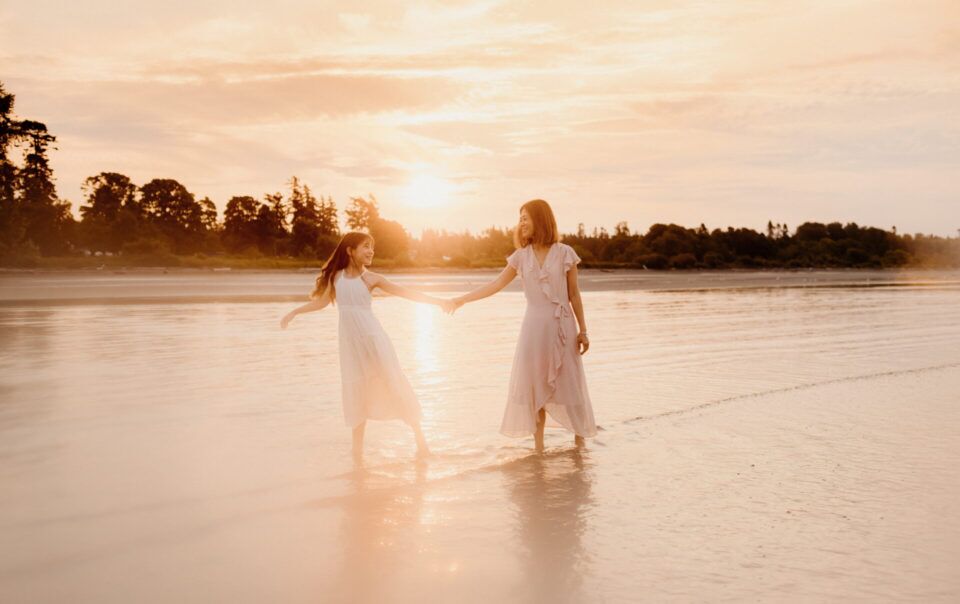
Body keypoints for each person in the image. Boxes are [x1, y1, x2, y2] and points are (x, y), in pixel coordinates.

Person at [281, 231, 454, 459]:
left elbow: (405, 293)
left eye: (372, 247)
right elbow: (322, 302)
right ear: (350, 250)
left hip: (374, 341)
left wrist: (439, 301)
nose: (371, 251)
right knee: (357, 391)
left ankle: (422, 443)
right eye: (366, 246)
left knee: (394, 384)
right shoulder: (337, 277)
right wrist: (295, 311)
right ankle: (357, 453)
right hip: (351, 346)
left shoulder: (372, 279)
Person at [451, 199, 596, 450]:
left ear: (541, 219)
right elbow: (495, 285)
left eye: (526, 217)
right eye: (520, 218)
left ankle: (579, 445)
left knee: (570, 386)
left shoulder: (565, 253)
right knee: (534, 385)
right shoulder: (520, 257)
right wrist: (462, 299)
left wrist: (583, 331)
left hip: (562, 328)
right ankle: (539, 448)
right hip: (533, 330)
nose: (522, 223)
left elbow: (574, 294)